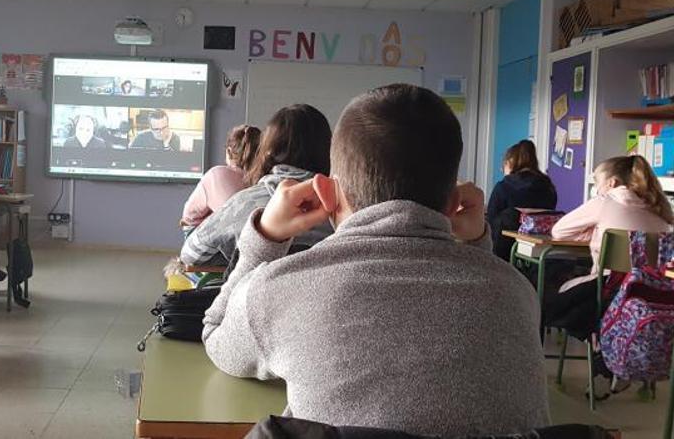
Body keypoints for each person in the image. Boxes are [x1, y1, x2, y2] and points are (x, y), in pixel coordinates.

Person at [202, 85, 549, 436]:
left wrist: (265, 239)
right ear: (454, 203)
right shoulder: (519, 292)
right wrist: (476, 246)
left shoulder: (281, 288)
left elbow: (217, 338)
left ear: (326, 192)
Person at [180, 104, 333, 266]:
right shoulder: (344, 209)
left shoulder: (241, 203)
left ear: (268, 150)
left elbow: (190, 255)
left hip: (254, 289)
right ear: (329, 150)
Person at [547, 155, 674, 339]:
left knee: (559, 289)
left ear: (612, 183)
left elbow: (559, 231)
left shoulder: (604, 201)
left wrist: (595, 233)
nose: (597, 189)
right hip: (652, 296)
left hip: (608, 292)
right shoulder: (660, 211)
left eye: (597, 183)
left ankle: (597, 346)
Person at [487, 140, 558, 259]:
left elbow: (491, 218)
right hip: (540, 251)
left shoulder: (504, 186)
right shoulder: (548, 186)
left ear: (510, 163)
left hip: (504, 251)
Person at [181, 125, 262, 229]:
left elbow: (189, 217)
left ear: (229, 151)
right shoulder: (269, 179)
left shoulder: (216, 175)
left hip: (221, 239)